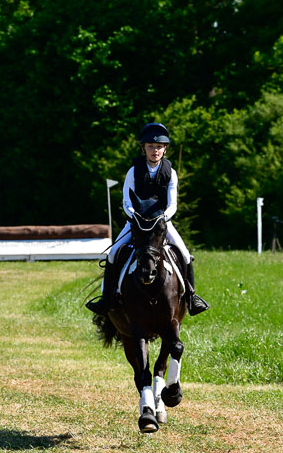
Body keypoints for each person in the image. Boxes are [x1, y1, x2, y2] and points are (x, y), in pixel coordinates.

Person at [86, 122, 210, 317]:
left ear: (165, 149)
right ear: (143, 148)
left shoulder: (171, 172)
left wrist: (162, 218)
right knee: (112, 254)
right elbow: (127, 201)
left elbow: (173, 204)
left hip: (161, 223)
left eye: (159, 147)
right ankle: (106, 298)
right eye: (151, 146)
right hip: (136, 222)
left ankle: (191, 298)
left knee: (185, 254)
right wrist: (135, 216)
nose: (155, 150)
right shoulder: (133, 171)